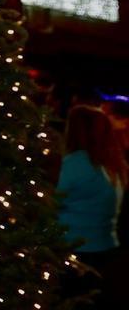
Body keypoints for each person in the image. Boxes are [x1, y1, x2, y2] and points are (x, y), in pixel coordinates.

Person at [57, 104, 128, 307]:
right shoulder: (114, 164)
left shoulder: (76, 163)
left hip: (73, 246)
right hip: (104, 247)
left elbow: (51, 202)